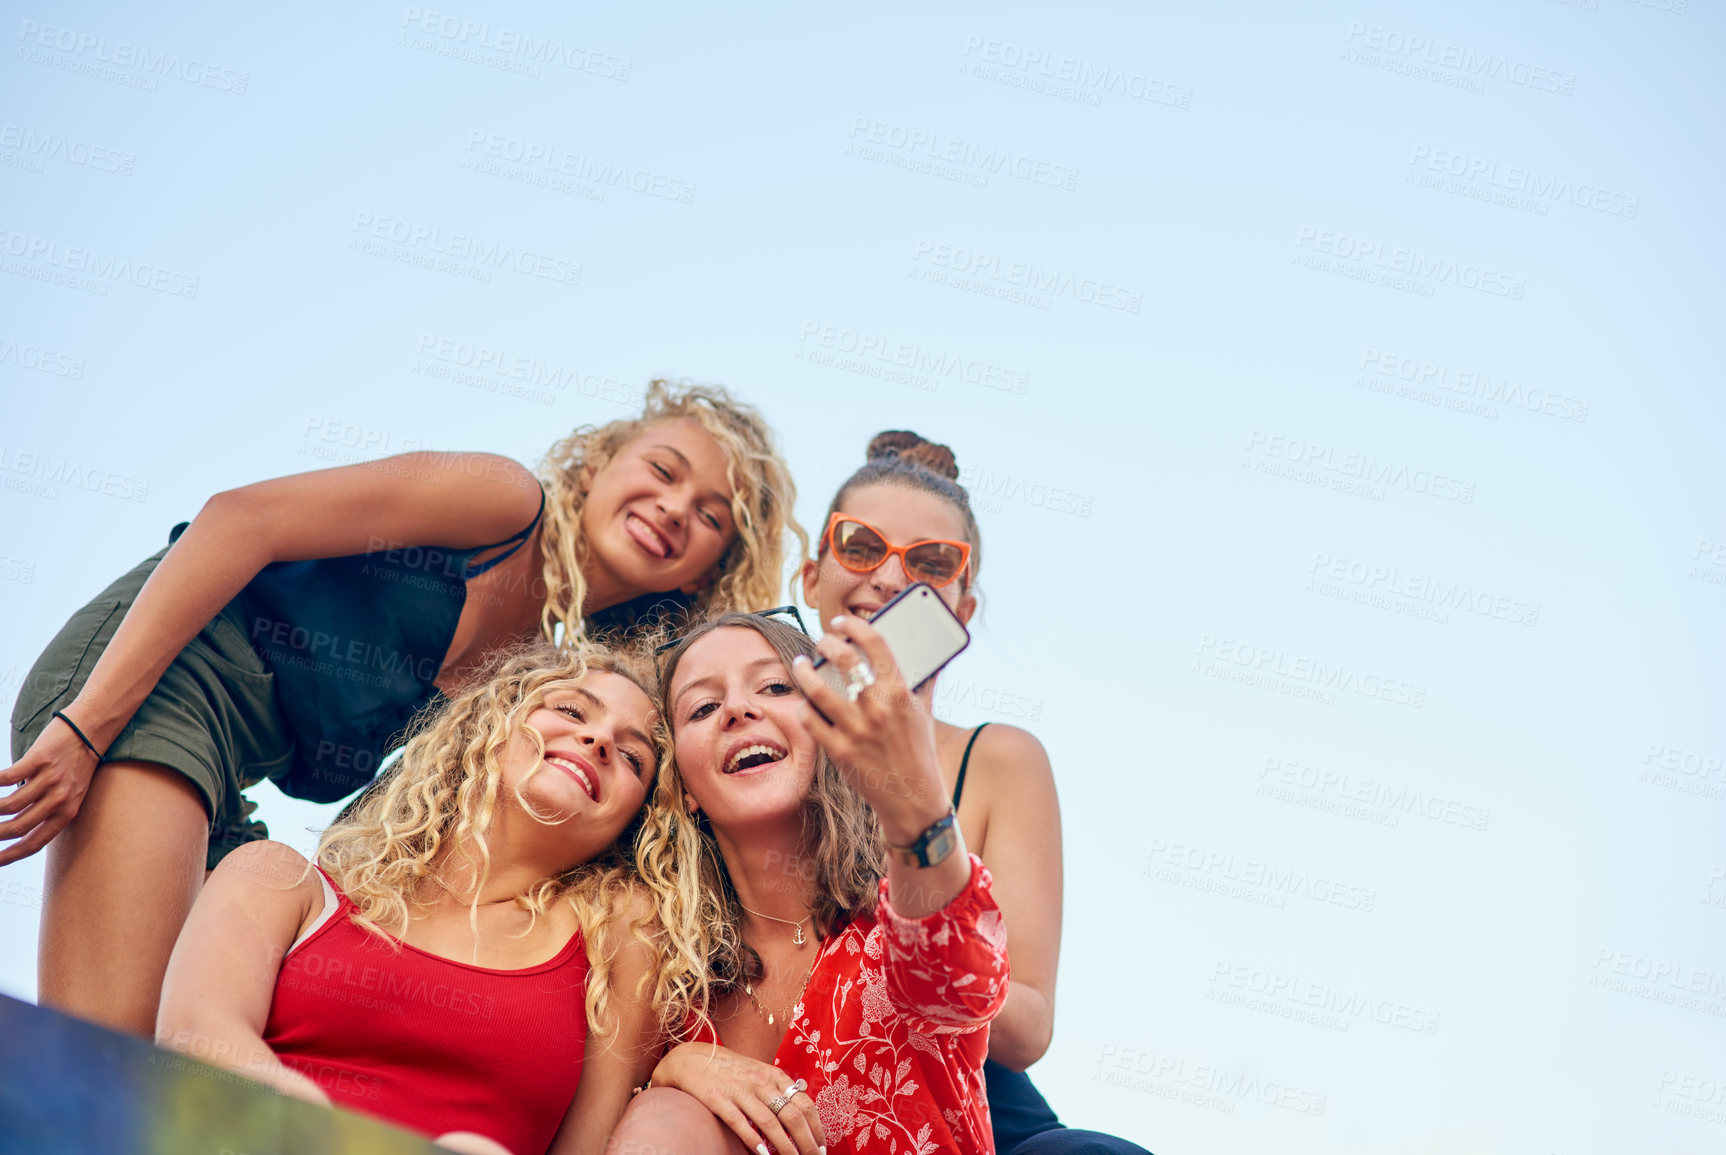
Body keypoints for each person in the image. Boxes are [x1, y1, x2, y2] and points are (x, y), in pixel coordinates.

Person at [2, 380, 803, 1037]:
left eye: (710, 515)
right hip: (159, 682)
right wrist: (86, 725)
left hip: (228, 783)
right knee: (113, 1049)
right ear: (596, 464)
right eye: (662, 471)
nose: (674, 507)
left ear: (706, 574)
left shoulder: (557, 680)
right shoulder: (502, 503)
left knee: (239, 1026)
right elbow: (239, 519)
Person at [156, 639, 668, 1155]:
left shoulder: (618, 942)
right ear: (493, 721)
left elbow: (585, 1146)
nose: (598, 740)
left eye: (633, 757)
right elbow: (196, 1039)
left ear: (635, 823)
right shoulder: (276, 880)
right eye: (572, 710)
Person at [800, 432, 1152, 1155]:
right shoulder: (746, 747)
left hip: (973, 1108)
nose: (890, 580)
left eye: (931, 564)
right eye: (860, 545)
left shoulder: (998, 760)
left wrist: (921, 941)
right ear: (809, 575)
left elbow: (1026, 1025)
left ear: (962, 605)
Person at [610, 612, 1009, 1155]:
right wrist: (674, 1071)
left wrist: (916, 800)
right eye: (703, 707)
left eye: (775, 686)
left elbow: (960, 987)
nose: (737, 710)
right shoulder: (668, 978)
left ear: (832, 731)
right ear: (683, 789)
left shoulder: (894, 919)